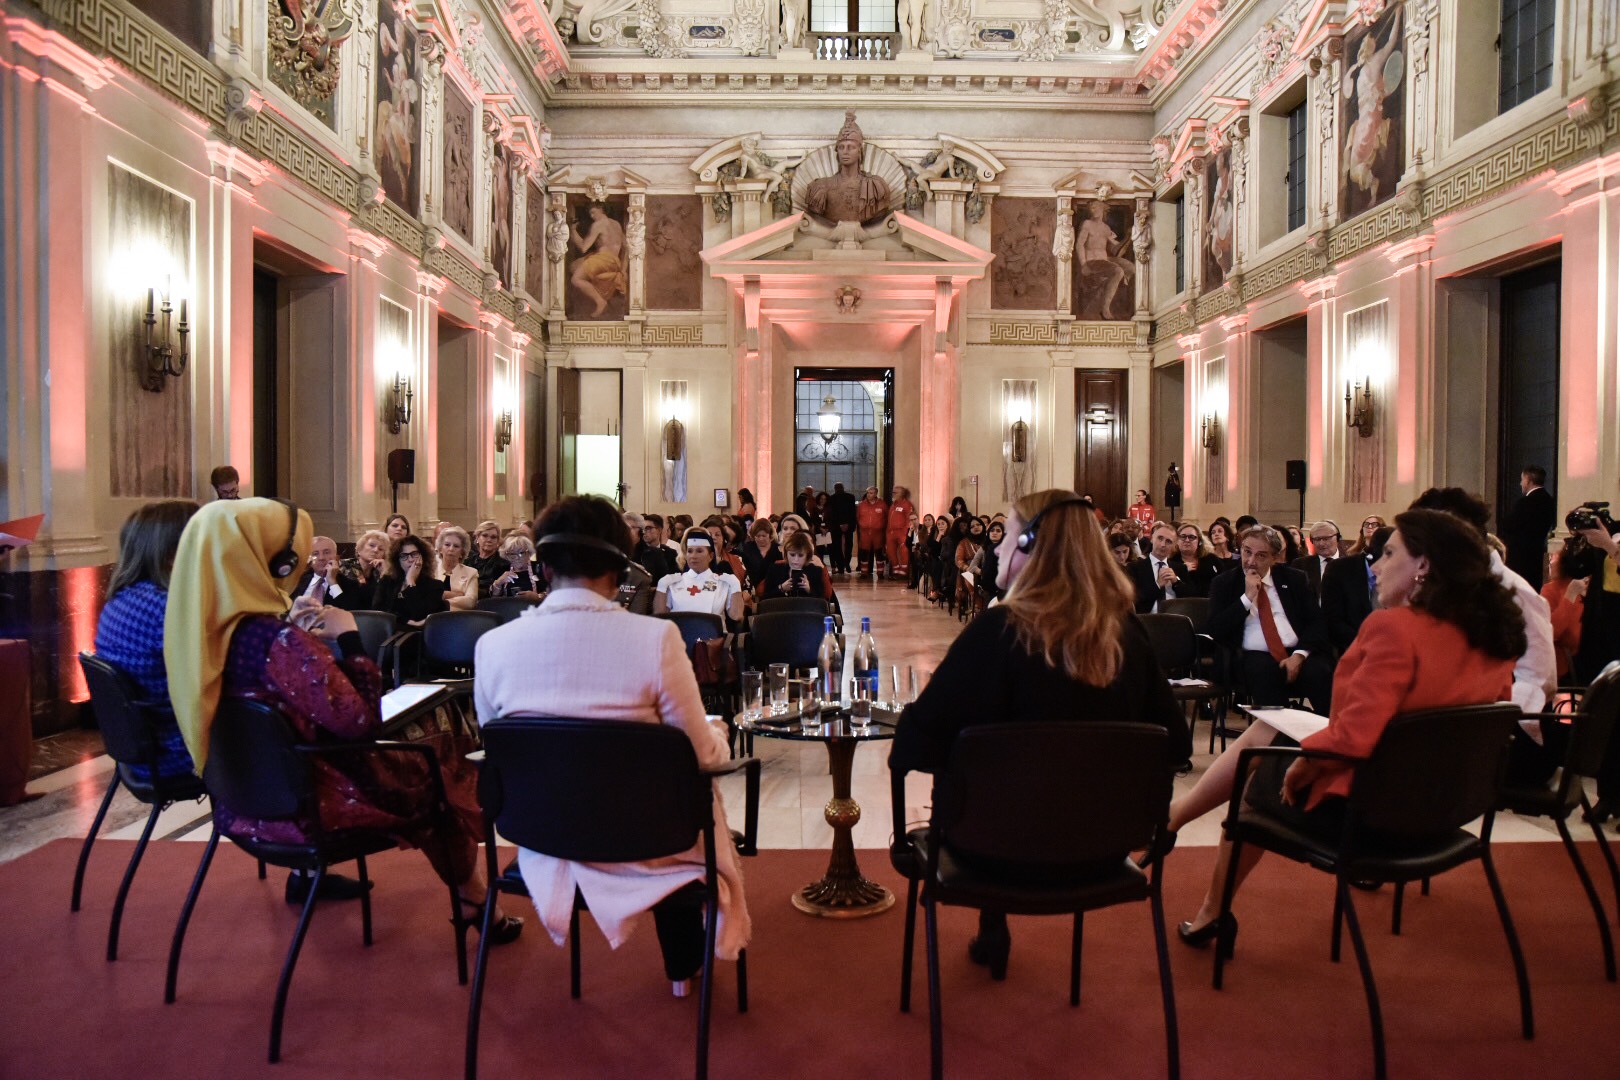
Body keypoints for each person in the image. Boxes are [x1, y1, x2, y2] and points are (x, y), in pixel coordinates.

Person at [1169, 509, 1524, 948]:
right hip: (1448, 808)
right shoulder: (1494, 636)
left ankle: (1212, 908)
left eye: (1388, 553)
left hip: (1376, 814)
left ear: (1424, 566)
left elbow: (1355, 737)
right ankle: (1178, 829)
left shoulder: (1394, 628)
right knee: (1267, 732)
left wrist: (1303, 767)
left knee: (1256, 778)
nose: (1374, 566)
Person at [164, 497, 519, 932]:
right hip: (315, 805)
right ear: (277, 562)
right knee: (444, 774)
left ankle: (313, 879)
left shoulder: (200, 633)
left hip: (244, 803)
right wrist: (349, 638)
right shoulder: (279, 643)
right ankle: (479, 908)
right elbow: (361, 723)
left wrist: (290, 626)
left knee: (433, 751)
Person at [892, 490, 1191, 979]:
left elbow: (912, 747)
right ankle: (994, 929)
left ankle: (994, 926)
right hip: (1104, 849)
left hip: (989, 851)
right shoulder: (1129, 636)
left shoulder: (996, 633)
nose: (1000, 550)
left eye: (1008, 537)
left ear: (1030, 546)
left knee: (993, 792)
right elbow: (1175, 746)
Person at [472, 495, 749, 993]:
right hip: (646, 838)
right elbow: (700, 755)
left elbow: (498, 748)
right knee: (688, 791)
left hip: (542, 833)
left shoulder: (492, 646)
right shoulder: (655, 639)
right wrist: (718, 732)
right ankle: (684, 964)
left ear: (544, 562)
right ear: (620, 565)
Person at [93, 499, 200, 783]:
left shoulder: (122, 599)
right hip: (176, 755)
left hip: (140, 754)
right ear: (172, 554)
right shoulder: (168, 608)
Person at [1207, 525, 1335, 712]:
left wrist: (1299, 656)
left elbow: (1316, 621)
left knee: (1321, 672)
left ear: (1274, 558)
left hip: (1297, 651)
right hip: (1251, 655)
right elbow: (1216, 629)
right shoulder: (1224, 583)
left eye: (1261, 555)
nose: (1251, 561)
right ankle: (1277, 735)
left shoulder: (1294, 579)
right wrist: (1247, 598)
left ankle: (1329, 733)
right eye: (1247, 552)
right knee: (1265, 674)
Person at [1322, 525, 1391, 654]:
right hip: (1353, 644)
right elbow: (1333, 620)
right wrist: (1367, 644)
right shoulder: (1339, 570)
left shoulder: (1406, 573)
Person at [655, 527, 745, 622]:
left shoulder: (723, 583)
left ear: (711, 556)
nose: (693, 556)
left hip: (713, 635)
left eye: (699, 551)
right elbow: (660, 617)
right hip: (679, 634)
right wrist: (661, 587)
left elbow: (737, 615)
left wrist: (736, 586)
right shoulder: (673, 582)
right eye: (690, 551)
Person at [372, 534, 450, 628]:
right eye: (404, 556)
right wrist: (406, 621)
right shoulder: (387, 581)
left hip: (419, 637)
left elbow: (420, 615)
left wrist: (410, 581)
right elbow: (378, 611)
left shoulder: (435, 586)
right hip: (388, 633)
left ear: (423, 557)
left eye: (414, 554)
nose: (410, 559)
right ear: (397, 560)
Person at [1500, 465, 1556, 589]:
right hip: (1536, 553)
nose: (1520, 484)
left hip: (1519, 556)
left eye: (1522, 480)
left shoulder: (1525, 502)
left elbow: (1508, 524)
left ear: (1528, 480)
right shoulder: (1549, 501)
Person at [291, 535, 367, 611]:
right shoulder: (297, 581)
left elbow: (348, 612)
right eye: (315, 553)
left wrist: (332, 582)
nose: (321, 558)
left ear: (336, 557)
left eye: (326, 552)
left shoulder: (350, 585)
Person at [1129, 522, 1180, 614]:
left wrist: (1176, 582)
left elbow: (1190, 596)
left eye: (1168, 541)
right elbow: (1134, 598)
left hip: (1176, 619)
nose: (1163, 544)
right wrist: (1158, 584)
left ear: (1174, 546)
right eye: (1160, 538)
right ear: (1152, 539)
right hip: (1146, 620)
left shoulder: (1180, 568)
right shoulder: (1135, 567)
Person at [760, 531, 827, 600]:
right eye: (792, 555)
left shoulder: (815, 571)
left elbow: (822, 600)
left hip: (806, 609)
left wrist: (809, 589)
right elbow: (765, 597)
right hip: (781, 609)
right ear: (786, 554)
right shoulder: (774, 569)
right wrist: (781, 588)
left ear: (807, 555)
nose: (796, 560)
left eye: (800, 555)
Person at [339, 528, 389, 604]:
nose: (376, 550)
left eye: (381, 549)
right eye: (372, 545)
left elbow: (384, 600)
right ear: (359, 548)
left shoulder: (380, 571)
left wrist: (383, 574)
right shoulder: (344, 565)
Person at [1169, 522, 1218, 598]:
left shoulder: (1211, 559)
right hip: (1180, 605)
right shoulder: (1171, 561)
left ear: (1199, 541)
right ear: (1177, 541)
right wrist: (1182, 570)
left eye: (1191, 537)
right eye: (1183, 536)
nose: (1187, 540)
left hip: (1209, 603)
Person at [1294, 520, 1341, 599]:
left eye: (1326, 538)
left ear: (1338, 538)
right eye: (1317, 539)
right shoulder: (1300, 565)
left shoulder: (1352, 564)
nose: (1321, 543)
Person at [436, 526, 479, 610]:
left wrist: (442, 602)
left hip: (460, 618)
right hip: (432, 618)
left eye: (456, 546)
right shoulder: (430, 571)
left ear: (462, 553)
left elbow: (471, 601)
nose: (451, 549)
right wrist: (453, 595)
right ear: (440, 549)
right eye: (447, 545)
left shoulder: (471, 573)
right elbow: (424, 597)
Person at [489, 534, 540, 599]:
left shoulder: (539, 568)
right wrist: (498, 583)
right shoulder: (500, 569)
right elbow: (493, 598)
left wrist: (537, 596)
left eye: (521, 553)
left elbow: (552, 593)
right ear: (506, 556)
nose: (517, 557)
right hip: (508, 607)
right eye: (512, 554)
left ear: (529, 552)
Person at [464, 520, 506, 598]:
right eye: (485, 535)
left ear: (498, 541)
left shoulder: (503, 564)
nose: (489, 540)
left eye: (493, 537)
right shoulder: (467, 561)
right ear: (477, 538)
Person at [825, 482, 857, 575]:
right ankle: (847, 564)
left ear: (835, 489)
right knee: (848, 545)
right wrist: (849, 524)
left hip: (836, 526)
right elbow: (852, 512)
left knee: (837, 547)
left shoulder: (831, 499)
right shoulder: (851, 497)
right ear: (843, 488)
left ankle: (841, 566)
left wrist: (839, 524)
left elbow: (832, 514)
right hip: (848, 525)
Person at [740, 518, 780, 588]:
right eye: (758, 536)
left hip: (773, 588)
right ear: (753, 535)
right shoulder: (748, 548)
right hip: (752, 588)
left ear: (770, 534)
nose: (761, 539)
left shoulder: (778, 549)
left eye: (764, 536)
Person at [855, 486, 887, 575]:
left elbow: (886, 517)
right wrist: (862, 525)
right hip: (865, 533)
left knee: (879, 553)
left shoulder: (882, 504)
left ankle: (880, 573)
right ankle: (864, 572)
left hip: (878, 534)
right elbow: (858, 517)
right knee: (864, 553)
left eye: (871, 493)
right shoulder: (862, 505)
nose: (869, 495)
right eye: (868, 493)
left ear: (876, 494)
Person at [886, 486, 916, 579]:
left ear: (902, 494)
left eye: (896, 492)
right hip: (891, 532)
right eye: (893, 492)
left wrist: (906, 531)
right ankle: (895, 570)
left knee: (904, 551)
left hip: (902, 532)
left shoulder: (907, 504)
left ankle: (903, 572)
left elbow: (910, 519)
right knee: (890, 551)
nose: (893, 494)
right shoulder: (893, 504)